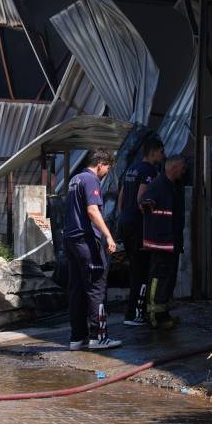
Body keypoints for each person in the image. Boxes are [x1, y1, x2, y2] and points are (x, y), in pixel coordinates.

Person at [62, 149, 121, 351]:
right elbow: (92, 210)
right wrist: (108, 235)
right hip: (86, 241)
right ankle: (99, 337)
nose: (106, 173)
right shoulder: (90, 179)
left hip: (70, 239)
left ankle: (77, 338)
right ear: (100, 164)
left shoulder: (74, 179)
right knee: (97, 287)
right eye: (107, 169)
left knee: (77, 289)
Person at [117, 137, 164, 326]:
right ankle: (135, 314)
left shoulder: (132, 168)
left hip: (126, 223)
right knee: (142, 271)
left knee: (135, 270)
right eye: (161, 151)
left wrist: (124, 216)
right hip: (138, 226)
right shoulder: (149, 171)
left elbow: (122, 196)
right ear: (153, 151)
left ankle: (132, 312)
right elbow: (141, 198)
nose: (162, 155)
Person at [140, 155, 188, 330]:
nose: (184, 171)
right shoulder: (158, 185)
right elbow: (143, 200)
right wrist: (147, 203)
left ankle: (164, 313)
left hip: (171, 242)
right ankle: (154, 316)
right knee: (158, 278)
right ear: (174, 167)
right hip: (160, 242)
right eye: (182, 167)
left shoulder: (173, 186)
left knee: (169, 279)